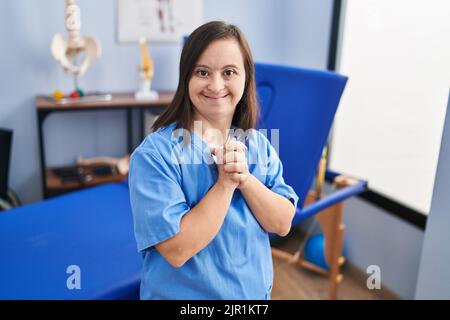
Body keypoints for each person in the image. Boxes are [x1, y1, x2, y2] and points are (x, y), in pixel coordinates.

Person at [128, 21, 299, 300]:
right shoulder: (154, 156)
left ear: (246, 78)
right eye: (203, 72)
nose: (216, 85)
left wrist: (245, 179)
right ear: (186, 79)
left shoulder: (259, 145)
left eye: (229, 72)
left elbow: (281, 223)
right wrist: (225, 184)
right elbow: (177, 249)